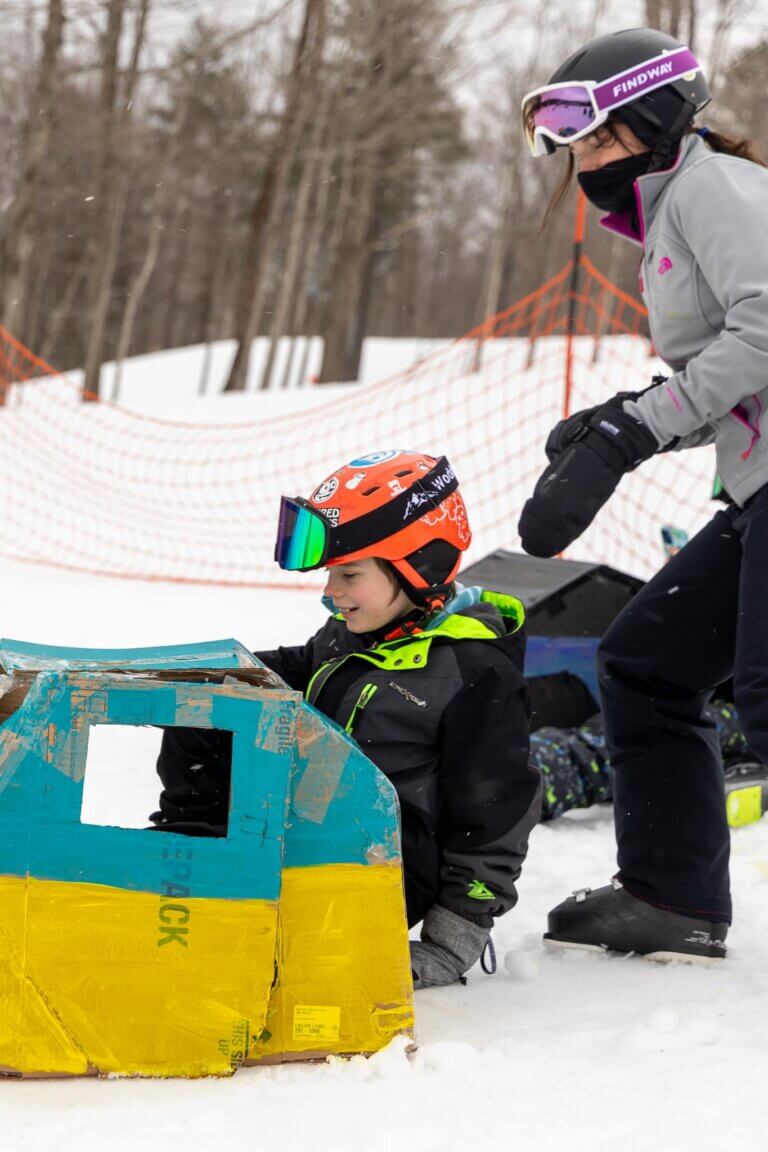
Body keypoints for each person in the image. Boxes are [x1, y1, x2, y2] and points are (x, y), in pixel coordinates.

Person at [517, 26, 768, 962]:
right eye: (574, 148)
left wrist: (643, 425)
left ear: (656, 119)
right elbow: (733, 375)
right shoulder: (673, 217)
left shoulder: (717, 189)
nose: (584, 165)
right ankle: (674, 898)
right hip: (755, 488)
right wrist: (623, 420)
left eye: (598, 141)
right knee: (647, 663)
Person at [152, 451, 542, 989]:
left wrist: (453, 943)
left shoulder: (473, 675)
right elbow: (304, 667)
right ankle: (190, 862)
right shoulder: (356, 631)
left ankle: (236, 893)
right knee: (207, 708)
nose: (330, 591)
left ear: (417, 565)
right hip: (310, 828)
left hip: (381, 870)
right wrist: (213, 677)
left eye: (349, 574)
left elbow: (494, 817)